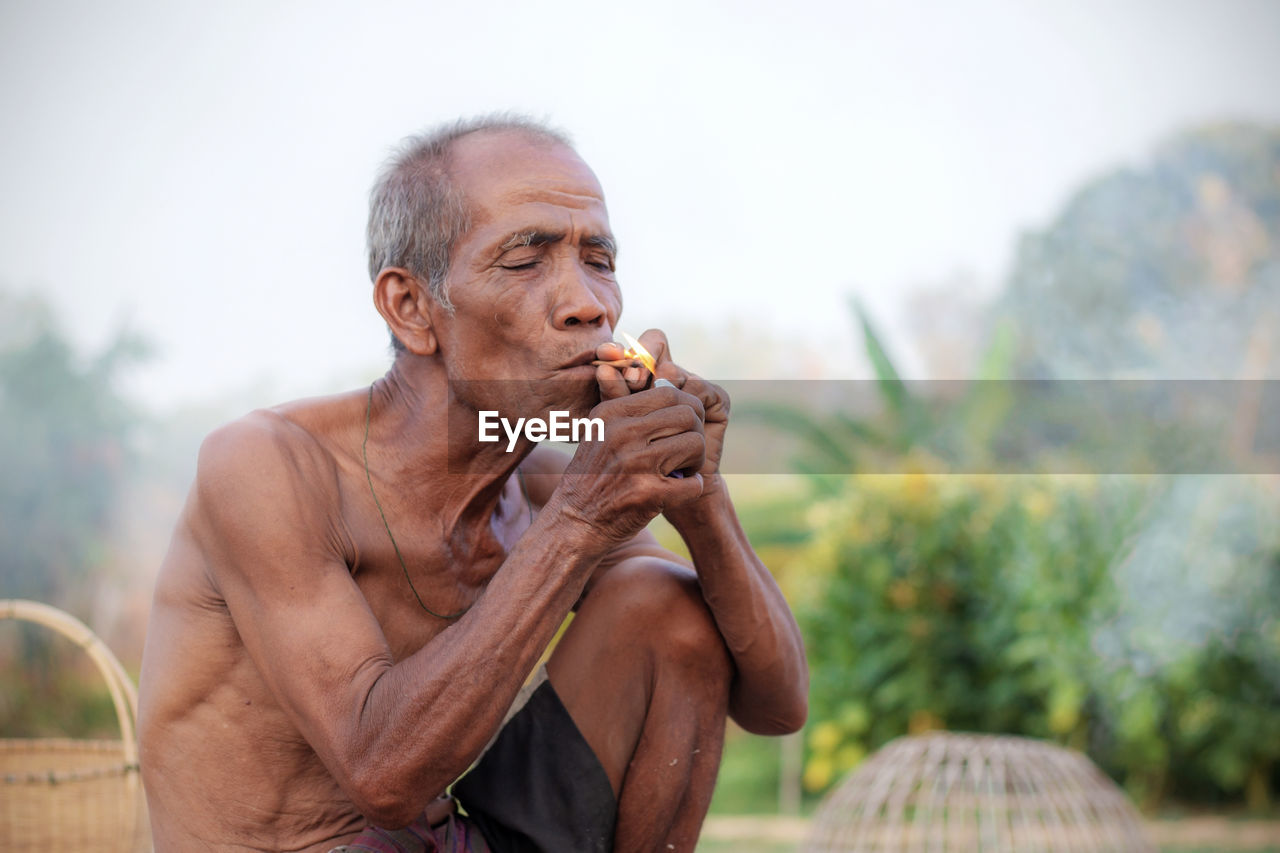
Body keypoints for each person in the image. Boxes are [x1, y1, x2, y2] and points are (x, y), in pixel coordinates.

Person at [138, 114, 808, 853]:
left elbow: (778, 705)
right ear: (412, 308)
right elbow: (382, 778)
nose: (589, 303)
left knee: (667, 609)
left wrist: (697, 489)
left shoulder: (547, 480)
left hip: (454, 841)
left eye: (600, 258)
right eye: (525, 261)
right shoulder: (269, 464)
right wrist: (581, 524)